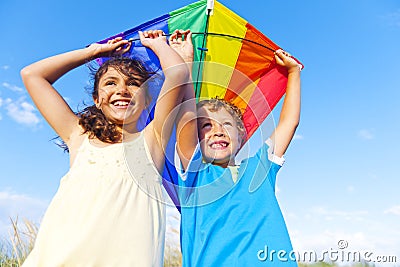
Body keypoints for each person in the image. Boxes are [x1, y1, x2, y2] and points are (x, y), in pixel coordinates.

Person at [20, 29, 191, 267]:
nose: (122, 90)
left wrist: (159, 45)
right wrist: (94, 52)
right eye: (111, 83)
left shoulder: (152, 140)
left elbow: (178, 74)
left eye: (133, 84)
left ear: (147, 101)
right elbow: (32, 75)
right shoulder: (78, 136)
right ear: (97, 99)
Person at [175, 48, 302, 266]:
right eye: (206, 126)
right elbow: (184, 120)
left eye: (226, 124)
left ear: (241, 133)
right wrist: (185, 65)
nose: (217, 130)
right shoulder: (195, 177)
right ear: (196, 137)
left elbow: (289, 123)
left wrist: (293, 73)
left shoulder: (259, 168)